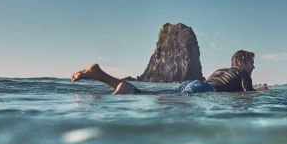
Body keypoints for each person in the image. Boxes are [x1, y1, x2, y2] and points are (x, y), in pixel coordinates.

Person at [71, 50, 268, 94]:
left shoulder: (220, 70)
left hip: (194, 83)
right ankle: (104, 77)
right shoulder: (243, 74)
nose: (253, 67)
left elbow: (208, 82)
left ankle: (101, 75)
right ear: (242, 63)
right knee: (146, 96)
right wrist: (260, 90)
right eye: (251, 63)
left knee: (150, 95)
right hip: (203, 90)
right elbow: (246, 95)